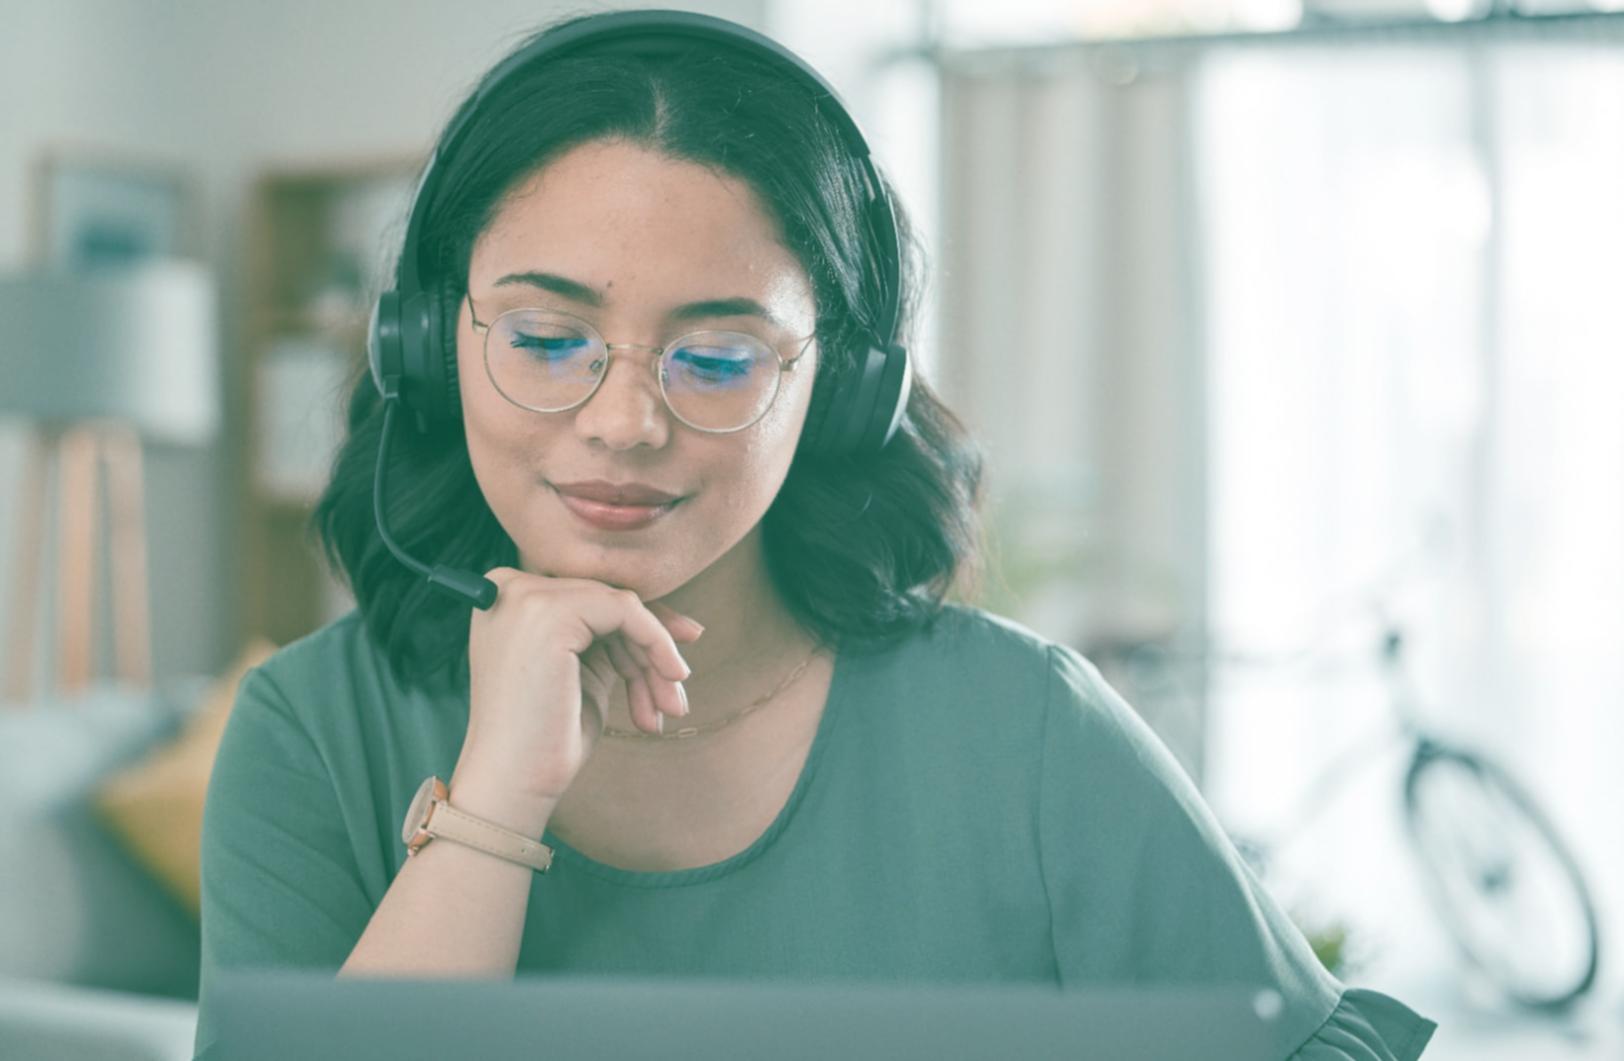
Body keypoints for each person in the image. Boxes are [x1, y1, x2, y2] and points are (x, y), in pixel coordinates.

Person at [195, 10, 1436, 1059]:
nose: (624, 422)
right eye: (545, 339)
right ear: (428, 346)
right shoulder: (311, 732)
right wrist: (495, 804)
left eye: (720, 356)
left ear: (841, 390)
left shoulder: (1025, 728)